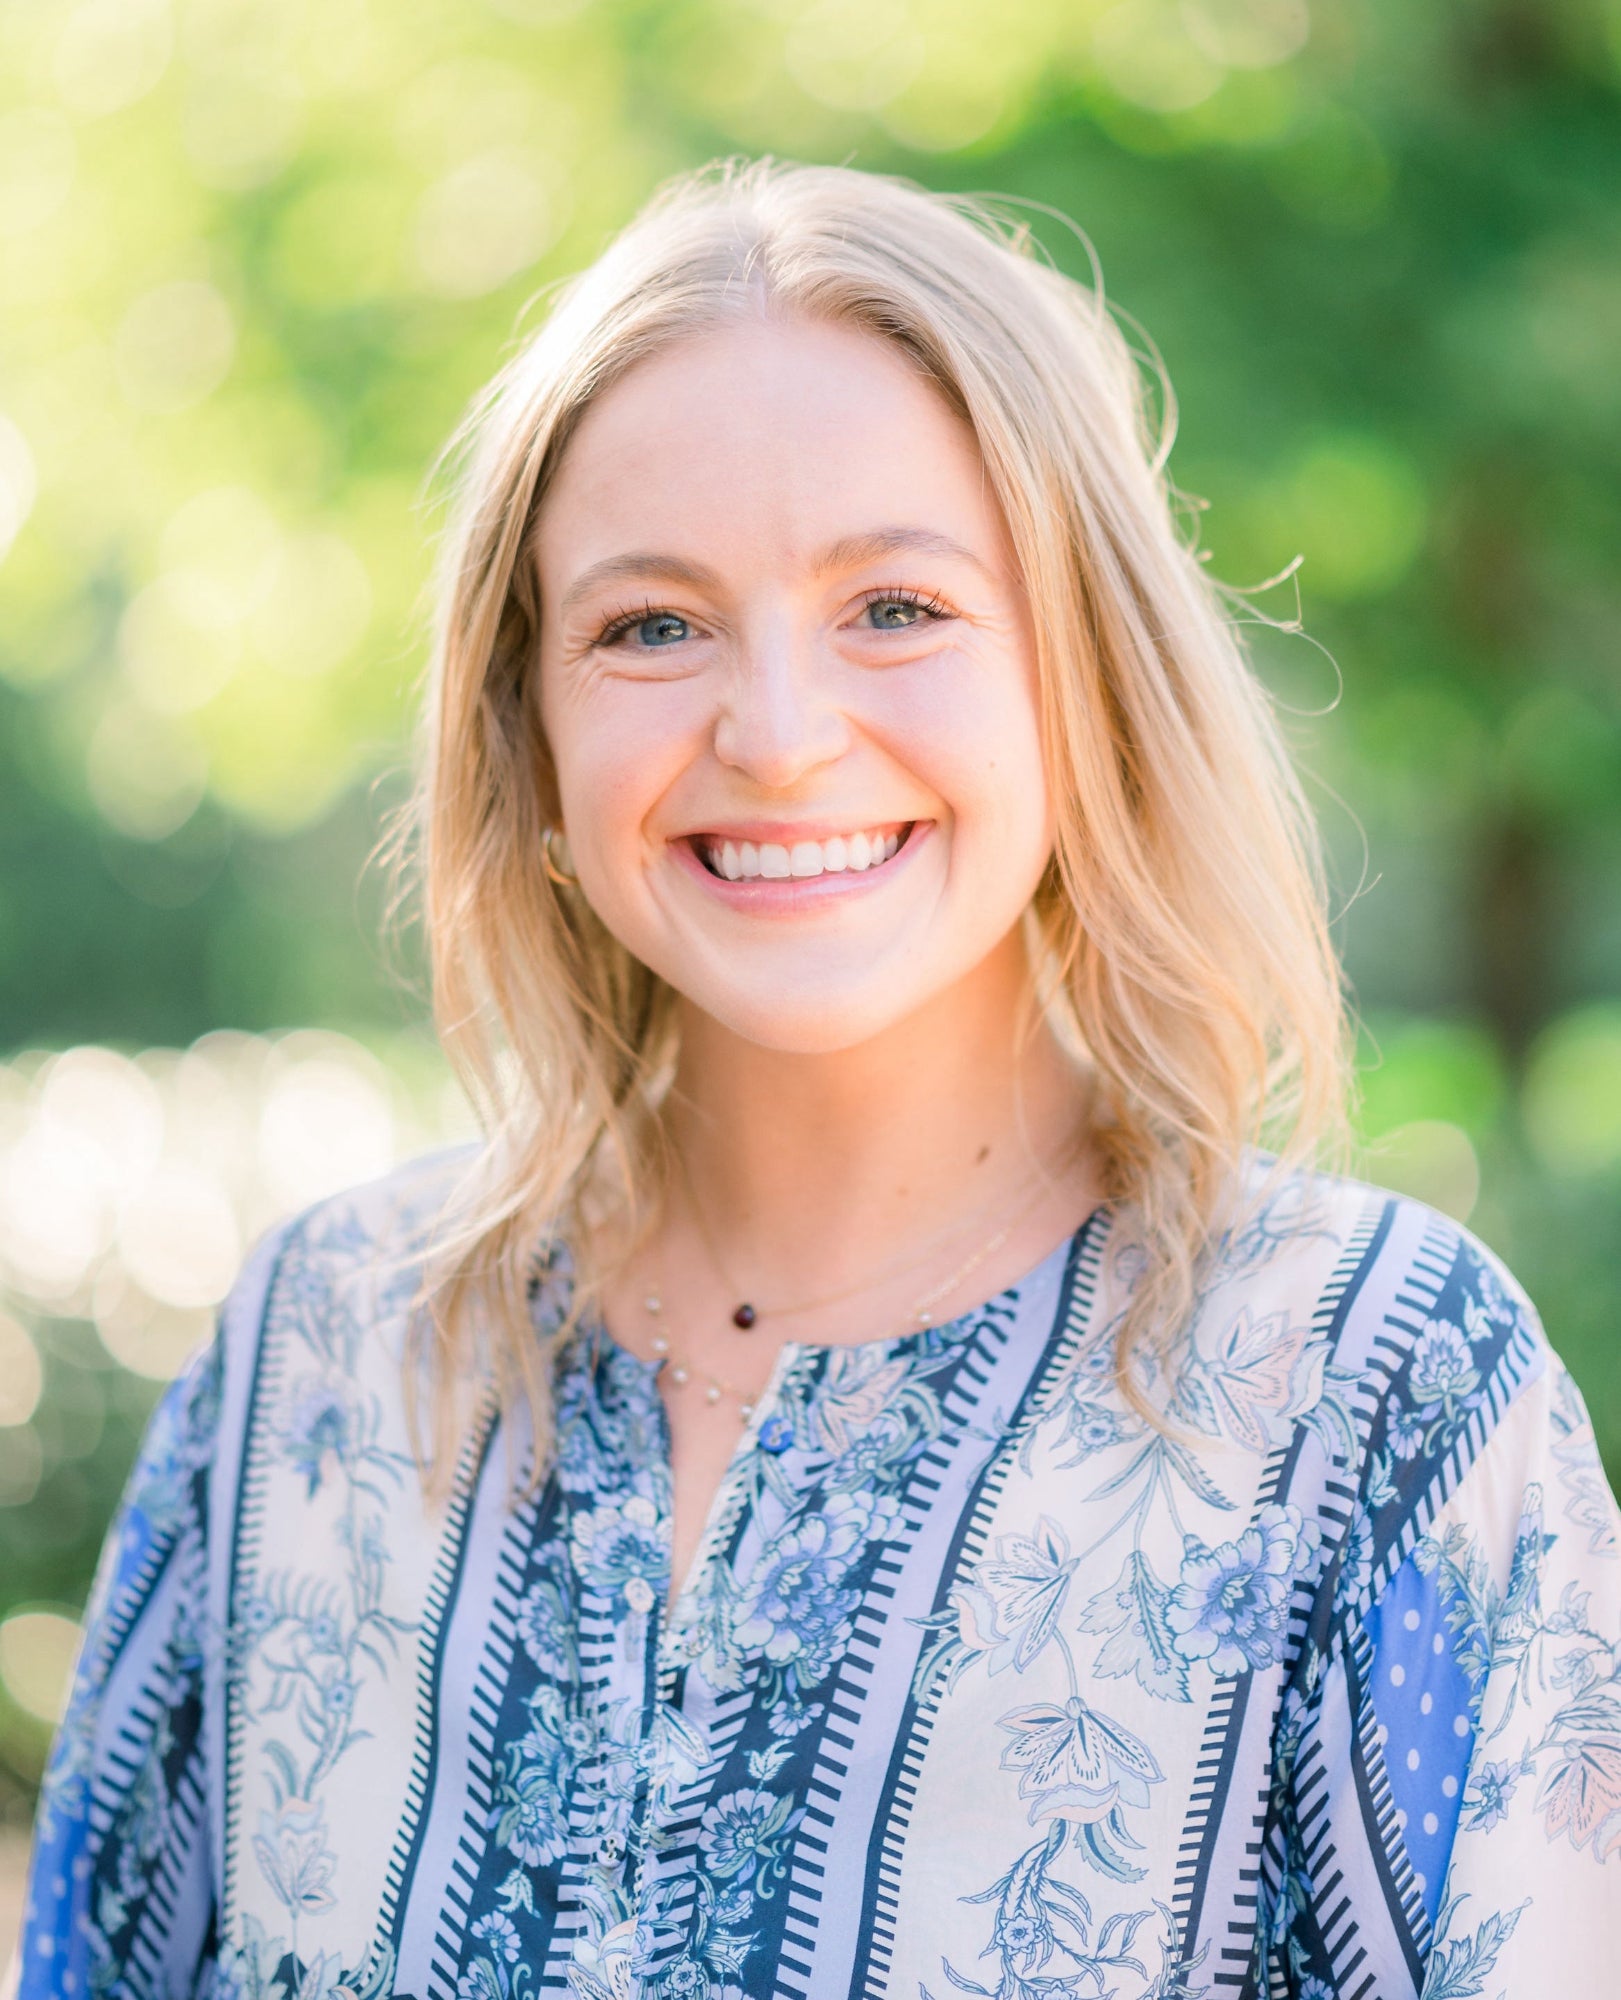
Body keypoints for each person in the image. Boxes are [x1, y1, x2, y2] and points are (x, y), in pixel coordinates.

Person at [11, 158, 1620, 2000]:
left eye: (897, 606)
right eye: (649, 626)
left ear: (1087, 674)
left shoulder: (1370, 1392)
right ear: (527, 729)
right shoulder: (316, 1360)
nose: (775, 738)